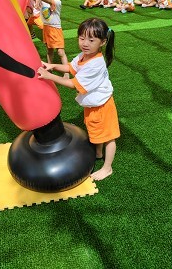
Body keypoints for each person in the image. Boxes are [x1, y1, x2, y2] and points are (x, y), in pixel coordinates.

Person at [37, 18, 119, 181]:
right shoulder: (84, 56)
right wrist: (52, 66)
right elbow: (71, 68)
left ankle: (107, 168)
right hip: (93, 104)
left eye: (91, 40)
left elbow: (72, 84)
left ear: (102, 42)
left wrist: (49, 76)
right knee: (95, 129)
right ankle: (98, 153)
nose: (85, 43)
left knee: (109, 136)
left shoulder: (95, 64)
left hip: (103, 105)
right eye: (82, 38)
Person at [17, 0, 69, 78]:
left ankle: (66, 72)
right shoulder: (43, 0)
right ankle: (49, 68)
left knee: (60, 52)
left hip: (55, 30)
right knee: (49, 51)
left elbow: (47, 0)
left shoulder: (57, 2)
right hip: (46, 29)